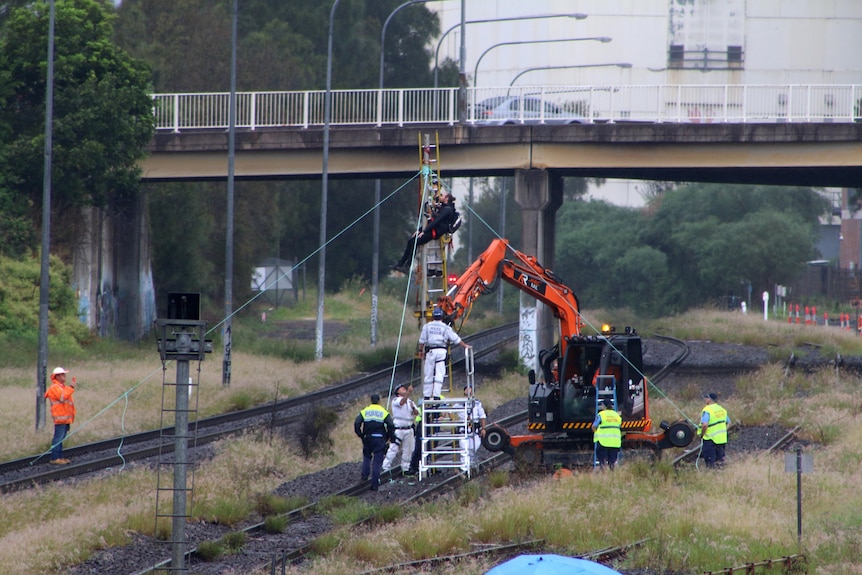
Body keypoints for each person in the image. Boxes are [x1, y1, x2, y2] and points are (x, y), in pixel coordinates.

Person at [391, 192, 457, 274]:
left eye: (442, 195)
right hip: (431, 229)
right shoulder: (443, 208)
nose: (440, 197)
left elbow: (436, 221)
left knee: (415, 242)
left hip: (435, 232)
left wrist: (424, 231)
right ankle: (400, 263)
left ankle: (407, 266)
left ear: (446, 199)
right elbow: (431, 221)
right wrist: (419, 230)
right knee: (411, 241)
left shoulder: (447, 210)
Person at [418, 306, 472, 401]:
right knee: (440, 373)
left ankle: (427, 395)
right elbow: (456, 339)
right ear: (442, 316)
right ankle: (436, 395)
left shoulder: (427, 327)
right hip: (441, 351)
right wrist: (465, 346)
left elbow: (422, 341)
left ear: (433, 316)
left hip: (430, 351)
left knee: (428, 373)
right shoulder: (445, 328)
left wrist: (420, 352)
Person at [354, 393, 396, 491]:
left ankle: (364, 476)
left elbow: (357, 423)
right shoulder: (383, 412)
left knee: (367, 456)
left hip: (367, 438)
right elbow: (390, 425)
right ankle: (374, 484)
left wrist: (360, 434)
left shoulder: (365, 411)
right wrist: (389, 437)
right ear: (379, 401)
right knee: (377, 461)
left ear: (371, 400)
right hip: (379, 439)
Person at [382, 384, 419, 477]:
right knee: (393, 448)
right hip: (399, 429)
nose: (404, 389)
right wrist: (408, 393)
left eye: (404, 388)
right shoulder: (396, 400)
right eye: (402, 389)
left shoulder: (410, 401)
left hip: (409, 428)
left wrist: (413, 407)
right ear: (397, 392)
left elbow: (416, 413)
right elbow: (402, 402)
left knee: (408, 450)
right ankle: (385, 466)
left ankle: (405, 468)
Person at [45, 367, 77, 465]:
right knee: (58, 438)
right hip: (60, 418)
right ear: (57, 376)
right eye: (63, 374)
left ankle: (59, 457)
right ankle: (55, 458)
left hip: (65, 419)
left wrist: (71, 387)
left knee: (61, 438)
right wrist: (71, 387)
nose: (65, 376)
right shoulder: (54, 388)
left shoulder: (62, 387)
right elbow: (62, 397)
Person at [699, 392, 730, 468]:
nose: (705, 399)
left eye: (706, 398)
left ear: (710, 400)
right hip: (721, 439)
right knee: (720, 461)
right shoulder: (721, 409)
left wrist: (702, 434)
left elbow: (705, 424)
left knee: (710, 462)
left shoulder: (707, 410)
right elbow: (729, 422)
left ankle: (711, 475)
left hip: (710, 439)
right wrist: (723, 430)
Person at [459, 385, 487, 468]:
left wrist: (483, 428)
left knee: (474, 447)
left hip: (475, 428)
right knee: (464, 448)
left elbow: (482, 416)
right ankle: (464, 468)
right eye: (466, 390)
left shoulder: (477, 403)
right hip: (463, 428)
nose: (468, 391)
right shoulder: (459, 403)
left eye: (470, 390)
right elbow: (451, 410)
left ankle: (471, 464)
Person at [592, 399, 621, 470]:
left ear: (604, 406)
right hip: (615, 443)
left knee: (603, 463)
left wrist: (596, 432)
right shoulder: (617, 415)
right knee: (612, 463)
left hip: (603, 442)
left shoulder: (601, 414)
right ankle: (611, 476)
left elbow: (594, 426)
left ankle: (604, 476)